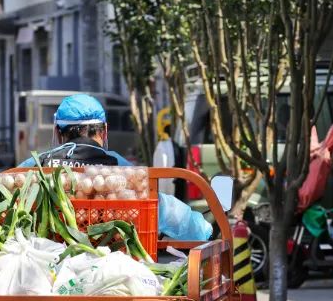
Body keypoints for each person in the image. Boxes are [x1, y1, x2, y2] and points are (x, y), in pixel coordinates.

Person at [21, 93, 213, 242]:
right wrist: (202, 228)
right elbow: (162, 207)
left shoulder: (35, 166)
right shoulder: (118, 166)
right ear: (104, 130)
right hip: (111, 263)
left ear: (57, 131)